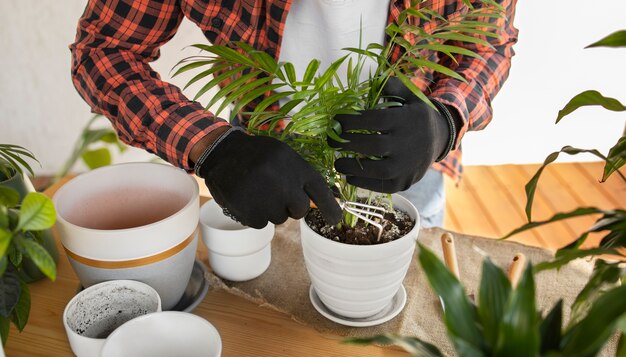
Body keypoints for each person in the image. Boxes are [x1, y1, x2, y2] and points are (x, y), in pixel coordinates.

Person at [70, 0, 518, 229]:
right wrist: (213, 147)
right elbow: (104, 50)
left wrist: (445, 120)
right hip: (260, 164)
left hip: (412, 159)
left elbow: (489, 40)